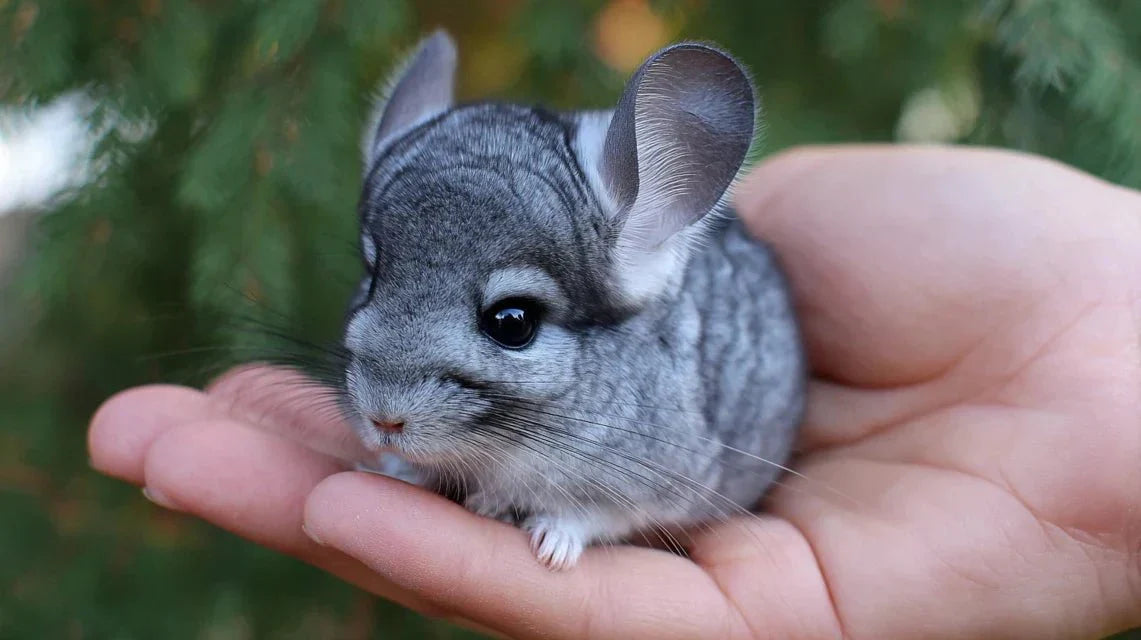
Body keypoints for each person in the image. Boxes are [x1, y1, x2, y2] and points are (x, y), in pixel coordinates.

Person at [87, 145, 1141, 639]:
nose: (384, 393)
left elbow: (678, 463)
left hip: (673, 476)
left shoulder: (640, 376)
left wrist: (585, 510)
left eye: (508, 321)